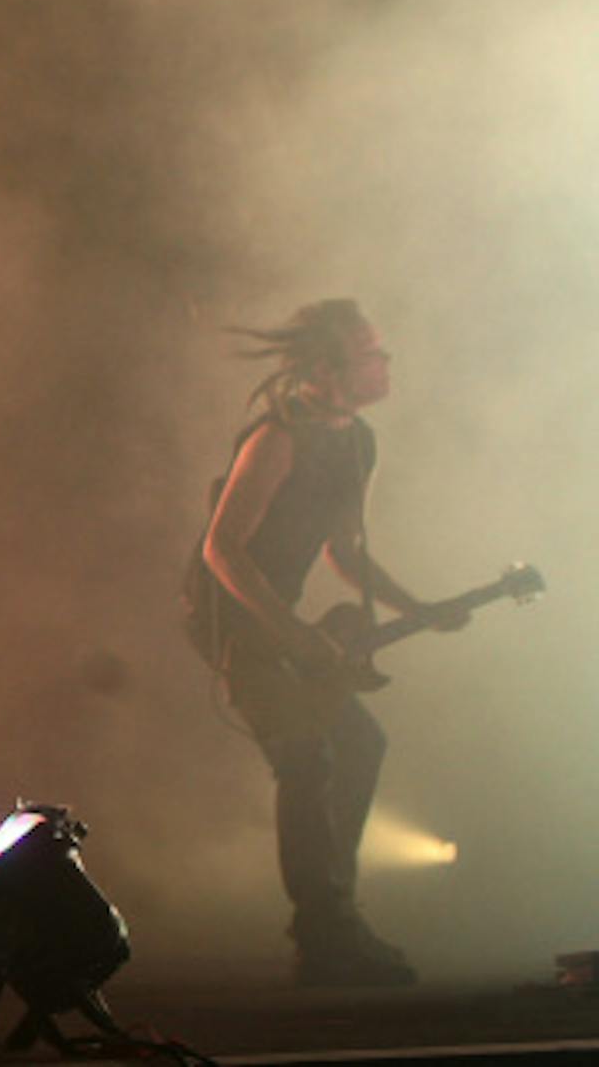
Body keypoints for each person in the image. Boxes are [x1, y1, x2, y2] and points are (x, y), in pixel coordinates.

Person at [182, 299, 466, 986]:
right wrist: (294, 634)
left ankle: (334, 918)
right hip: (231, 624)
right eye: (371, 354)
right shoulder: (278, 438)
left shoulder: (356, 441)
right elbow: (222, 550)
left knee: (360, 744)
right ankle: (324, 930)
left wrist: (418, 609)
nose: (385, 363)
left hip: (282, 627)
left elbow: (344, 550)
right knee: (307, 757)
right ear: (327, 369)